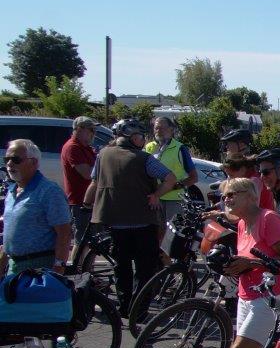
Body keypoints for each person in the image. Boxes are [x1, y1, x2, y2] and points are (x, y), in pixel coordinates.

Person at [83, 119, 176, 312]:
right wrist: (156, 195)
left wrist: (86, 205)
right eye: (140, 136)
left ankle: (124, 306)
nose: (143, 140)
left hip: (114, 222)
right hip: (142, 221)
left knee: (121, 265)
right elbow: (170, 178)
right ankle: (138, 308)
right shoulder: (144, 159)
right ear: (132, 137)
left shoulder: (103, 155)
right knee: (144, 268)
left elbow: (94, 182)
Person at [217, 177, 280, 348]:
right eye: (224, 196)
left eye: (231, 194)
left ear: (251, 196)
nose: (226, 200)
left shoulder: (268, 219)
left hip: (269, 298)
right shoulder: (242, 223)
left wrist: (251, 263)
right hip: (246, 296)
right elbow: (247, 259)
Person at [0, 139, 72, 276]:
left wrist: (58, 269)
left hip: (38, 270)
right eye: (6, 159)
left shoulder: (49, 191)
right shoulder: (11, 191)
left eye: (15, 159)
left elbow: (64, 233)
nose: (9, 164)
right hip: (13, 268)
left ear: (33, 162)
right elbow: (10, 234)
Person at [145, 116, 197, 224]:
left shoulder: (180, 148)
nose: (159, 131)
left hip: (174, 200)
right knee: (155, 231)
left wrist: (173, 187)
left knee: (172, 231)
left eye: (163, 128)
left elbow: (193, 178)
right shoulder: (148, 147)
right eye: (156, 128)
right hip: (153, 200)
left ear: (171, 129)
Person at [60, 116, 97, 243]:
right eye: (91, 129)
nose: (93, 133)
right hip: (80, 201)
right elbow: (87, 173)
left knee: (93, 241)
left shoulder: (86, 147)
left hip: (90, 200)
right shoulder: (72, 147)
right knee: (82, 241)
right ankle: (77, 257)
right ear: (79, 129)